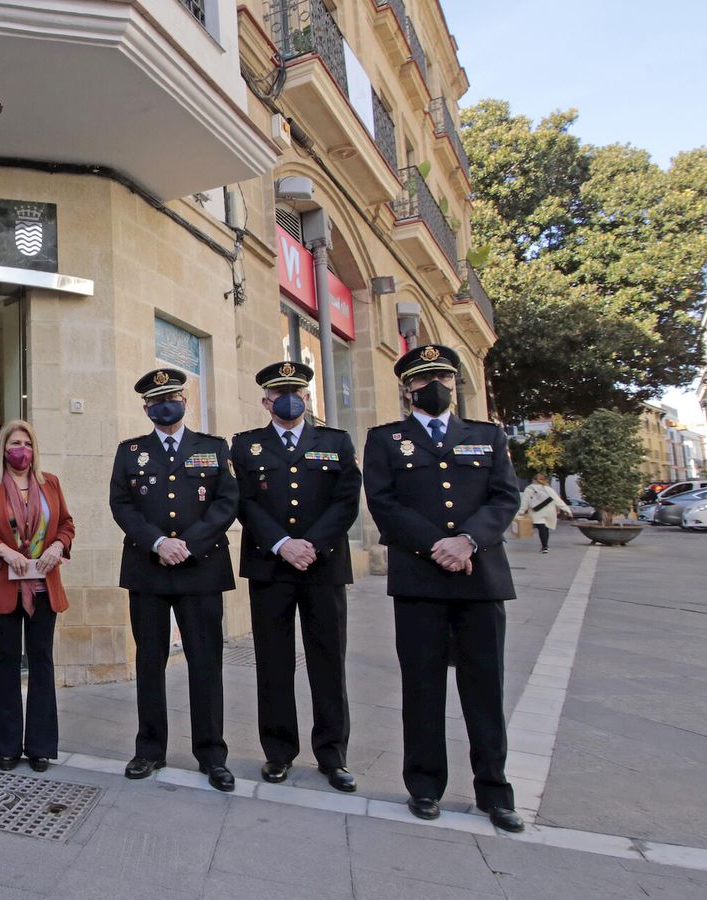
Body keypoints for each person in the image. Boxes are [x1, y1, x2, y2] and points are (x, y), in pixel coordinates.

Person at [363, 343, 524, 832]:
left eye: (443, 378)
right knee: (422, 686)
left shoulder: (487, 436)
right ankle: (425, 785)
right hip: (419, 579)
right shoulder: (385, 439)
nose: (433, 387)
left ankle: (494, 791)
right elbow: (383, 503)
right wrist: (440, 545)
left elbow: (505, 498)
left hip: (480, 580)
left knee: (484, 688)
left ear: (454, 384)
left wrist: (468, 541)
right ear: (406, 387)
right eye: (421, 379)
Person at [229, 362, 361, 792]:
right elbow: (243, 503)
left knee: (328, 661)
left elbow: (346, 502)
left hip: (323, 567)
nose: (288, 399)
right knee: (273, 663)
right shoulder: (246, 446)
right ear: (266, 402)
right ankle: (279, 752)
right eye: (279, 393)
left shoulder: (335, 442)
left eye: (297, 392)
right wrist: (282, 543)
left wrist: (311, 545)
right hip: (270, 567)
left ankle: (332, 755)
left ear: (306, 398)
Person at [110, 367, 239, 791]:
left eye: (174, 397)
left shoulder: (213, 447)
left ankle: (212, 754)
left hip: (200, 570)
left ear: (185, 400)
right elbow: (121, 505)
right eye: (157, 400)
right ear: (146, 408)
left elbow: (226, 503)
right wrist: (158, 543)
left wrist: (187, 544)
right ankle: (149, 749)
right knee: (150, 663)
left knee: (206, 663)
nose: (166, 404)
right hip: (148, 571)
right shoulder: (130, 451)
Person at [0, 419, 74, 771]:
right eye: (14, 443)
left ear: (34, 448)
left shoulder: (50, 483)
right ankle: (8, 746)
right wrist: (3, 550)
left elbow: (67, 525)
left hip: (44, 587)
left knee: (42, 662)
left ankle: (40, 746)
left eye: (27, 443)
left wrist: (58, 545)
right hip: (3, 586)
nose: (21, 450)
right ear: (2, 449)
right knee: (7, 663)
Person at [518, 474, 571, 553]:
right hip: (549, 512)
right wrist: (567, 510)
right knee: (545, 528)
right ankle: (545, 546)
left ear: (533, 480)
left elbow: (525, 502)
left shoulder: (529, 489)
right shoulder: (548, 489)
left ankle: (544, 546)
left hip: (536, 512)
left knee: (541, 528)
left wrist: (520, 513)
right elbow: (557, 500)